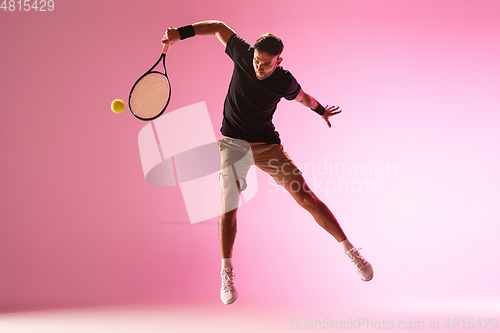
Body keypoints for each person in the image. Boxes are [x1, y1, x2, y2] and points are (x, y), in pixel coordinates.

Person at [162, 20, 373, 305]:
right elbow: (216, 26)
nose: (259, 68)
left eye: (266, 64)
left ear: (279, 61)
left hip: (268, 146)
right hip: (233, 144)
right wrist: (180, 34)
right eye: (257, 61)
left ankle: (351, 252)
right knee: (228, 205)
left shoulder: (284, 80)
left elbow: (303, 98)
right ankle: (226, 272)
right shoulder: (241, 52)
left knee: (306, 196)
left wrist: (321, 110)